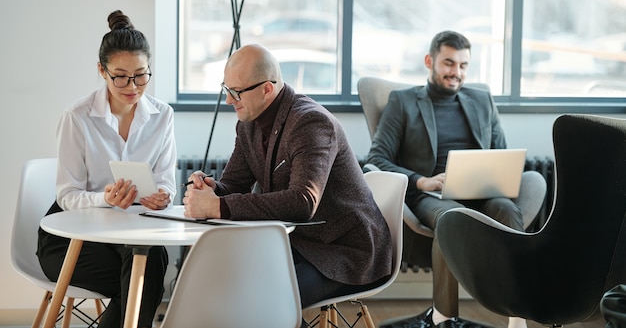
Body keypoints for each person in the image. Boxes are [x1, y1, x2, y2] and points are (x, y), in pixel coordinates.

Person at [183, 43, 392, 316]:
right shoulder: (248, 124)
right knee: (223, 285)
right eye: (226, 89)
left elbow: (303, 202)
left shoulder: (311, 123)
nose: (228, 101)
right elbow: (233, 184)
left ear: (267, 89)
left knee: (265, 300)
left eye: (235, 92)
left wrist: (219, 207)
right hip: (296, 245)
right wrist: (212, 189)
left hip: (344, 252)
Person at [366, 30, 545, 328]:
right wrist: (422, 181)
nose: (456, 73)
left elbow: (500, 153)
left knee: (507, 209)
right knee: (452, 218)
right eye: (449, 63)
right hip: (431, 197)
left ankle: (517, 316)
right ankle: (444, 317)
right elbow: (377, 160)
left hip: (481, 191)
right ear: (430, 61)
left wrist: (498, 176)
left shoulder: (481, 100)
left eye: (463, 65)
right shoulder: (403, 102)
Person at [37, 10, 176, 328]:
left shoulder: (162, 116)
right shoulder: (78, 117)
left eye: (141, 75)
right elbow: (68, 194)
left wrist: (162, 196)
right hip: (71, 238)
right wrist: (105, 198)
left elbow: (166, 179)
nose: (133, 86)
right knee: (141, 283)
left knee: (147, 264)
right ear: (101, 71)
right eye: (120, 76)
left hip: (131, 234)